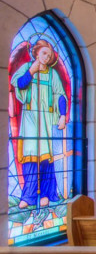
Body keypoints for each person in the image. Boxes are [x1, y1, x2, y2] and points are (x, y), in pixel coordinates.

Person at [10, 39, 67, 209]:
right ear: (36, 53)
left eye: (49, 56)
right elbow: (20, 84)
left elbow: (60, 95)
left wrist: (63, 115)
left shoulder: (52, 74)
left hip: (48, 120)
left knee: (48, 159)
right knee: (30, 159)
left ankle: (48, 194)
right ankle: (28, 196)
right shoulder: (27, 69)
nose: (46, 58)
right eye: (44, 53)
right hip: (30, 121)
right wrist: (32, 71)